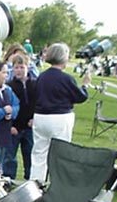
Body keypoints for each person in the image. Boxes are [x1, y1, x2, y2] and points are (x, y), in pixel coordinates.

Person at [29, 42, 90, 182]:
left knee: (39, 152)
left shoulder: (42, 77)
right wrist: (85, 85)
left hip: (40, 116)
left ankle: (35, 183)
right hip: (60, 117)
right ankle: (58, 183)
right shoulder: (66, 79)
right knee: (61, 152)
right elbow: (80, 97)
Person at [2, 54, 37, 180]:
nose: (19, 70)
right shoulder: (9, 86)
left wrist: (35, 119)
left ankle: (30, 178)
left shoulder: (34, 84)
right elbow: (6, 106)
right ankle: (8, 178)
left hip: (29, 126)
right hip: (14, 127)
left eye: (22, 67)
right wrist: (10, 125)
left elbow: (38, 104)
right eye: (16, 67)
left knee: (29, 154)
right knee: (10, 156)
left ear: (27, 68)